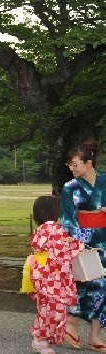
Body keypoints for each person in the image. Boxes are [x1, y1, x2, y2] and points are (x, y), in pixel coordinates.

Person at [61, 139, 106, 352]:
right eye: (69, 164)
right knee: (82, 285)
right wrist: (79, 242)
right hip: (83, 243)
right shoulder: (70, 187)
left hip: (105, 241)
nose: (72, 168)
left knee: (103, 290)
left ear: (89, 163)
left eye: (75, 164)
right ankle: (72, 322)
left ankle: (95, 335)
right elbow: (68, 219)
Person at [27, 195, 82, 354]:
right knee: (54, 309)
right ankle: (40, 339)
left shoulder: (42, 229)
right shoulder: (55, 229)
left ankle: (44, 337)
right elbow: (68, 248)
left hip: (42, 274)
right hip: (52, 277)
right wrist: (81, 246)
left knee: (46, 308)